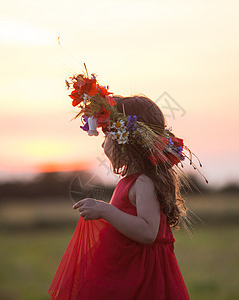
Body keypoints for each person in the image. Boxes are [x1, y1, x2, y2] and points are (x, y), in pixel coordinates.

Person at [48, 73, 206, 300]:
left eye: (107, 136)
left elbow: (148, 232)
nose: (103, 143)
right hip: (130, 272)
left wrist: (105, 210)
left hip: (144, 281)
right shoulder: (131, 181)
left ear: (125, 141)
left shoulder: (144, 182)